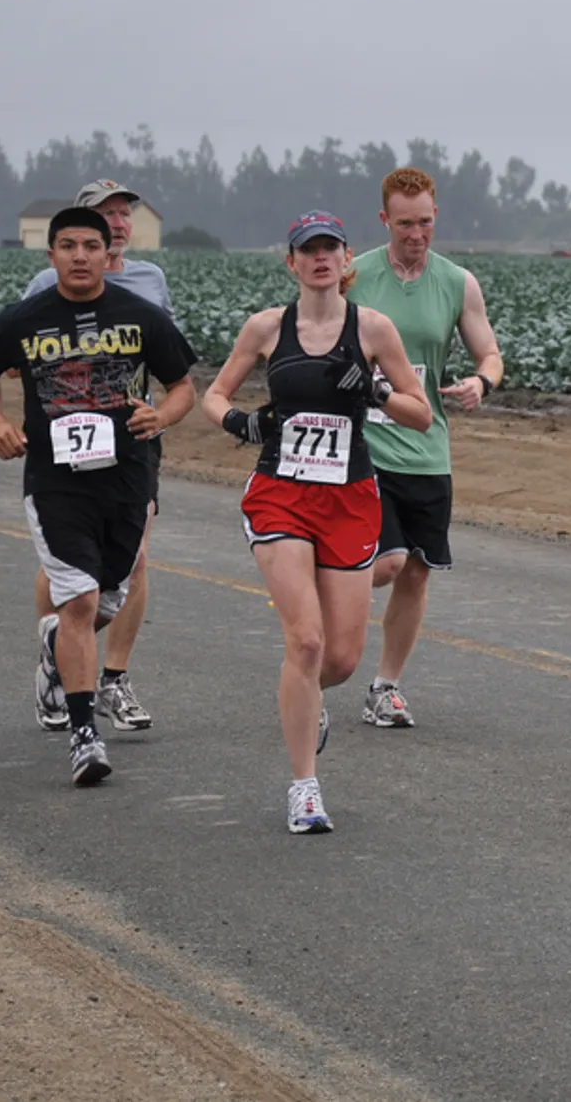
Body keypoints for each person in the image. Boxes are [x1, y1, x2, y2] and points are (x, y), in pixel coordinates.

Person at [202, 212, 430, 833]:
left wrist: (377, 392)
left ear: (347, 260)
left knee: (340, 659)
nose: (321, 258)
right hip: (280, 493)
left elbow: (422, 416)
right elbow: (214, 395)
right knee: (304, 640)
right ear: (293, 263)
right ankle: (304, 787)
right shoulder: (267, 328)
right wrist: (240, 423)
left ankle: (310, 701)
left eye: (331, 248)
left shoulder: (375, 329)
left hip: (350, 498)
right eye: (309, 250)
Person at [0, 206, 197, 787]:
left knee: (107, 600)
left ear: (107, 254)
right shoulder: (26, 317)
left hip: (126, 479)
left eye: (89, 246)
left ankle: (55, 643)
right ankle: (83, 736)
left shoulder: (140, 316)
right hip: (55, 482)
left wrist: (161, 415)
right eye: (66, 246)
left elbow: (183, 387)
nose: (78, 255)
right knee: (78, 602)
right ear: (51, 257)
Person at [346, 167, 504, 729]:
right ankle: (318, 606)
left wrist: (480, 383)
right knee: (386, 564)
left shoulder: (457, 282)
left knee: (416, 570)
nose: (416, 234)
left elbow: (489, 352)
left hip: (426, 445)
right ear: (384, 220)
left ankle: (385, 687)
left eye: (426, 223)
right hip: (361, 442)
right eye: (405, 224)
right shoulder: (353, 274)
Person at [21, 179, 171, 733]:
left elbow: (169, 359)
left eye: (125, 213)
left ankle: (115, 678)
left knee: (135, 555)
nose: (120, 222)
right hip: (66, 436)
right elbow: (16, 355)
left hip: (133, 434)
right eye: (107, 213)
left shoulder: (151, 280)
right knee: (65, 562)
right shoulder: (47, 281)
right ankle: (59, 658)